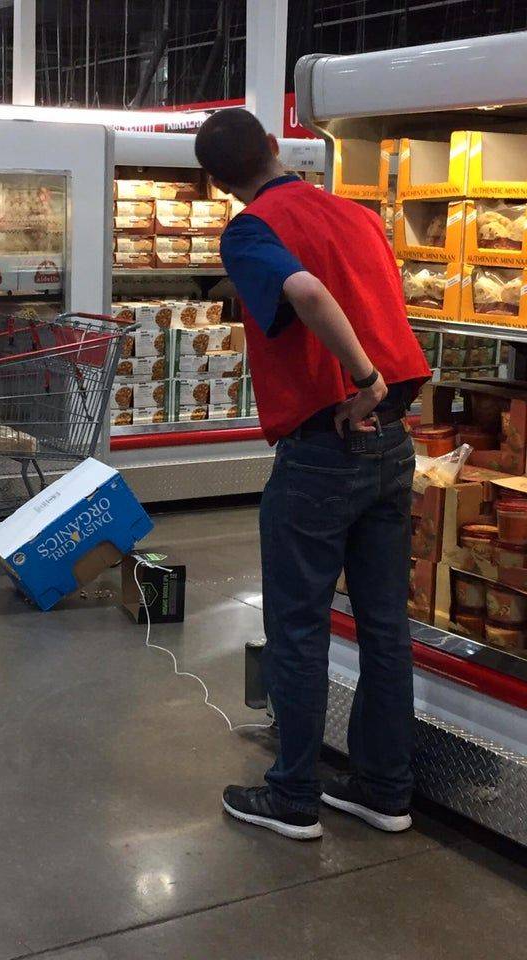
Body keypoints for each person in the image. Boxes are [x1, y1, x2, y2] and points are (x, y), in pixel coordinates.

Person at [193, 108, 431, 841]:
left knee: (298, 625)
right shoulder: (357, 216)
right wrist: (384, 389)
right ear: (273, 147)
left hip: (327, 443)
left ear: (217, 182)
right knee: (385, 626)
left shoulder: (249, 229)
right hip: (394, 446)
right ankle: (384, 789)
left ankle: (293, 796)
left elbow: (308, 295)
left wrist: (361, 376)